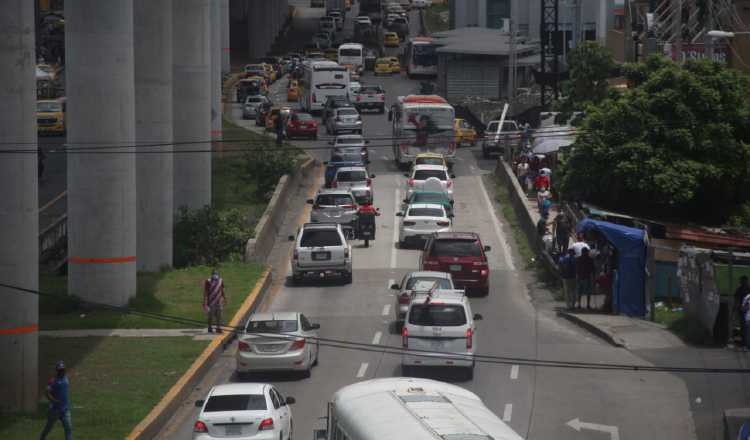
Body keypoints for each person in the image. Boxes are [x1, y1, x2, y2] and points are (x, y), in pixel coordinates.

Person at [39, 361, 72, 440]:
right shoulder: (53, 380)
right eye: (60, 370)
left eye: (63, 370)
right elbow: (46, 392)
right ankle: (42, 438)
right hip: (55, 410)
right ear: (57, 370)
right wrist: (53, 400)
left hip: (65, 409)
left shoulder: (66, 378)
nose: (62, 371)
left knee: (68, 428)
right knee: (49, 427)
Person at [735, 276, 750, 347]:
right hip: (743, 311)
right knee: (744, 327)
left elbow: (737, 301)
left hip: (745, 310)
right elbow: (737, 301)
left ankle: (745, 342)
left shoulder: (741, 289)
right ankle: (744, 342)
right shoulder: (740, 289)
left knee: (745, 327)